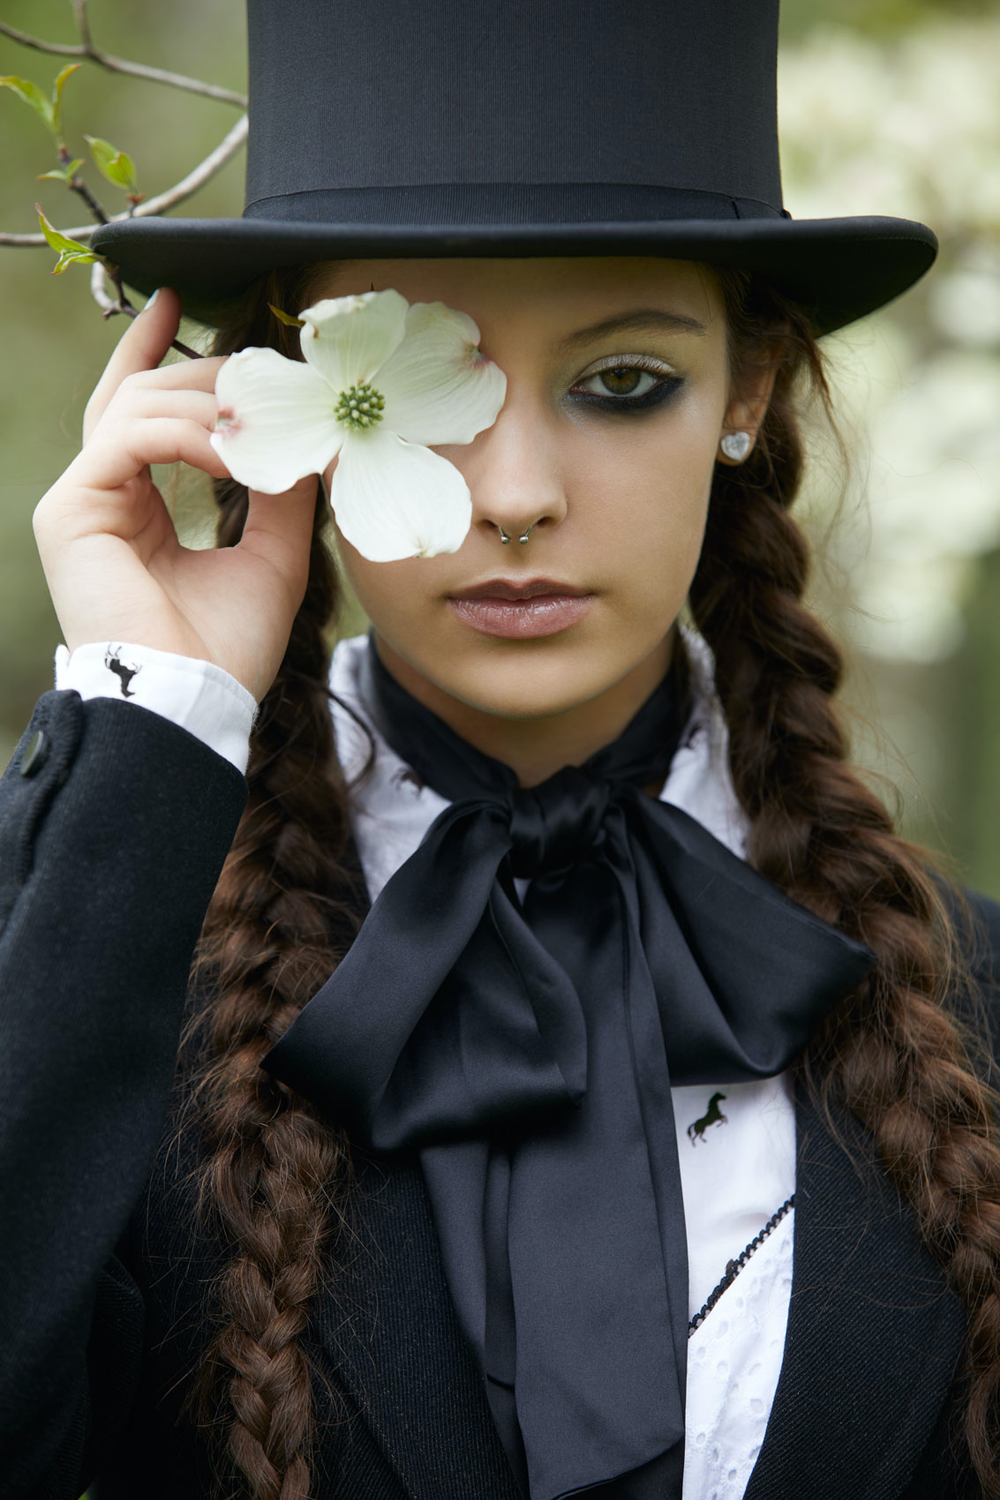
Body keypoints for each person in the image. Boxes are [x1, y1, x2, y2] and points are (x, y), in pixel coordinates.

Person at [2, 1, 998, 1498]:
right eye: (425, 390)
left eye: (622, 382)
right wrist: (149, 727)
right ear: (286, 410)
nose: (515, 492)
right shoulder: (101, 976)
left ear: (751, 390)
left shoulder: (974, 1016)